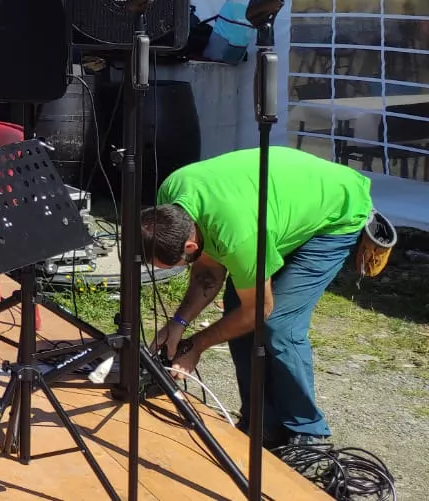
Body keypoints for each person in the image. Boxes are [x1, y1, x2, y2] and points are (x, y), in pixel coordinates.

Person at [142, 147, 373, 449]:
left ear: (188, 246)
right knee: (236, 317)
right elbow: (208, 273)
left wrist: (197, 345)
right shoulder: (172, 197)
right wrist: (178, 323)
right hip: (276, 208)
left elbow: (259, 311)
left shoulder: (238, 237)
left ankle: (308, 435)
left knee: (278, 326)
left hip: (334, 213)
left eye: (173, 266)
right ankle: (262, 423)